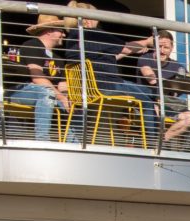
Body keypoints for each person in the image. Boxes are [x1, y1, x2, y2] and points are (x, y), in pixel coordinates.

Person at [64, 3, 157, 146]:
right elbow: (126, 48)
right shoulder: (95, 34)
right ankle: (154, 144)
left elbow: (107, 55)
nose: (98, 22)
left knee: (149, 91)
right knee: (147, 102)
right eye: (97, 19)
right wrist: (147, 41)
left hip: (86, 88)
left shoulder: (72, 37)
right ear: (89, 19)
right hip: (106, 85)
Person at [8, 15, 73, 142]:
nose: (64, 35)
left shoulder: (58, 58)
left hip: (48, 92)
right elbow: (37, 78)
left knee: (73, 102)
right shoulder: (32, 45)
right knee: (46, 93)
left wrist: (68, 99)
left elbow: (62, 85)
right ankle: (43, 141)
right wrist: (61, 97)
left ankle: (73, 143)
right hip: (21, 91)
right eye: (61, 31)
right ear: (49, 31)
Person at [135, 32, 190, 144]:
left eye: (166, 47)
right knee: (156, 107)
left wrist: (184, 83)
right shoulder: (145, 59)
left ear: (172, 48)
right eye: (159, 46)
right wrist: (172, 84)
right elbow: (151, 79)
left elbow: (188, 83)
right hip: (147, 102)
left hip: (168, 105)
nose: (162, 50)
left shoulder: (176, 66)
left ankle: (163, 139)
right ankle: (152, 143)